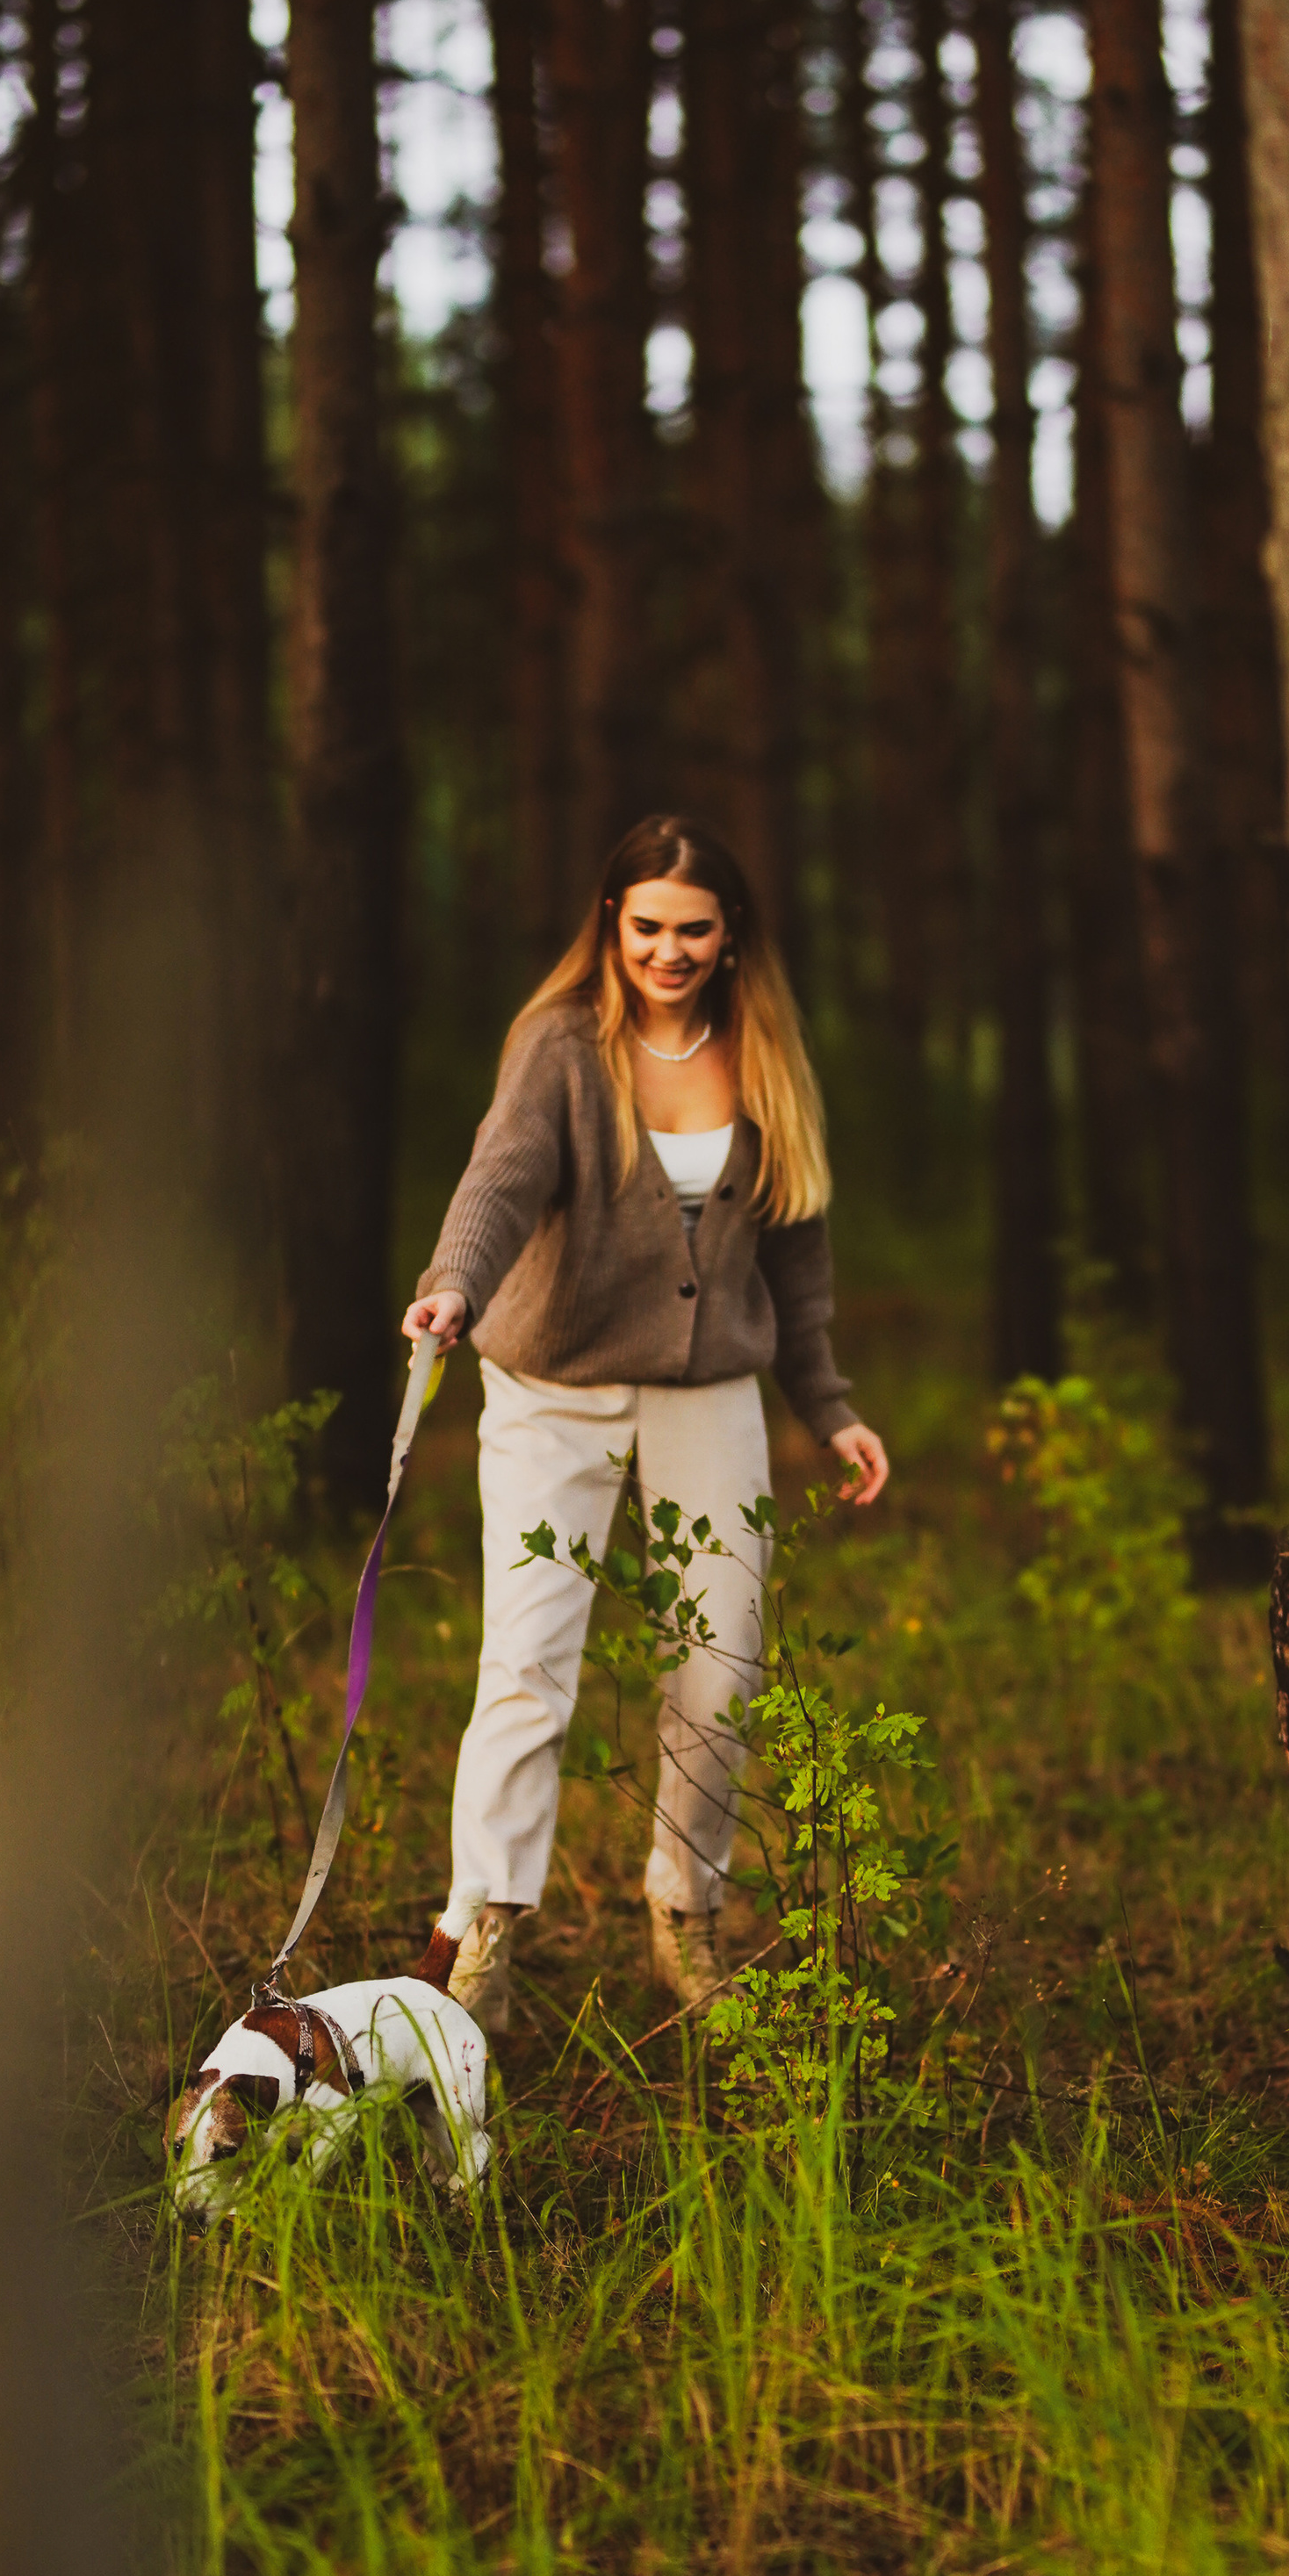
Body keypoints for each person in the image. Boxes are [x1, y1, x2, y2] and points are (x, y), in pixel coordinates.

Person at [403, 814, 890, 2035]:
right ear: (611, 928)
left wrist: (826, 1405)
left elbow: (797, 1248)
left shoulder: (766, 1050)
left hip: (709, 1391)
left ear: (731, 938)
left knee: (722, 1667)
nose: (669, 952)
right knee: (527, 1669)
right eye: (648, 928)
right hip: (551, 1385)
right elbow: (501, 1176)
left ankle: (686, 1912)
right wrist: (456, 1281)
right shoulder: (561, 1045)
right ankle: (485, 1931)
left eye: (694, 930)